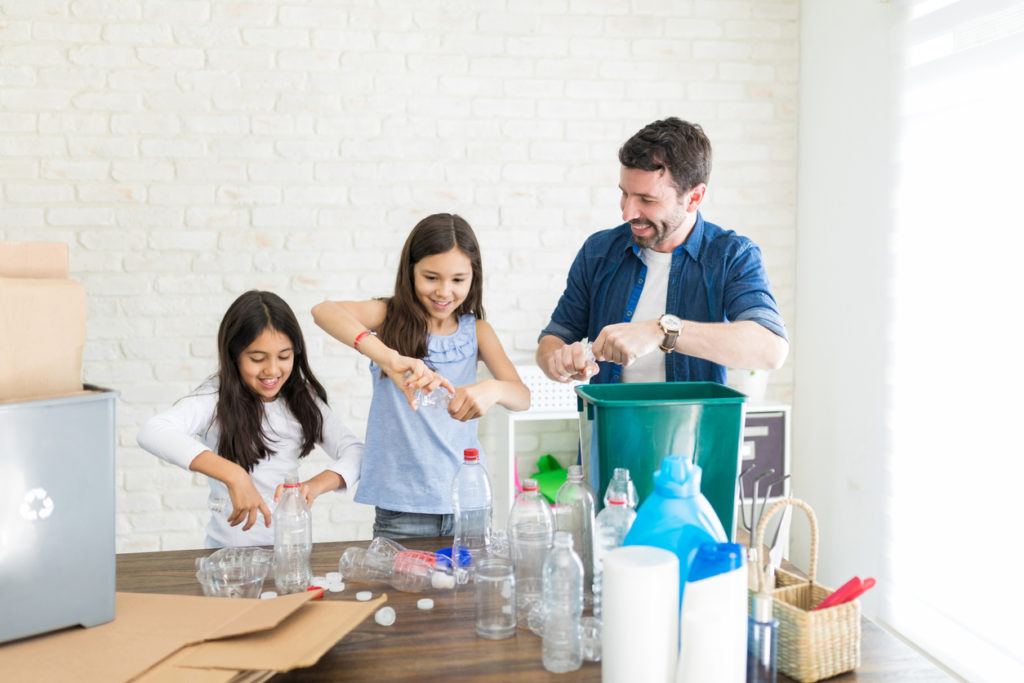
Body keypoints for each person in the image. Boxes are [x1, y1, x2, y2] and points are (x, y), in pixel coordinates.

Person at [312, 213, 530, 539]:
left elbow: (522, 398)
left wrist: (494, 389)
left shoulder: (478, 332)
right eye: (431, 277)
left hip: (468, 504)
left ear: (474, 278)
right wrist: (387, 357)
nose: (444, 291)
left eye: (458, 280)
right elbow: (323, 311)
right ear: (410, 271)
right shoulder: (387, 316)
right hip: (402, 507)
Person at [537, 117, 788, 385]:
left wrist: (662, 331)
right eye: (625, 194)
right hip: (610, 425)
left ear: (694, 197)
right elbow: (553, 338)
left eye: (647, 200)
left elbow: (771, 350)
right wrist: (558, 360)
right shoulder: (598, 252)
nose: (627, 213)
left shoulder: (732, 256)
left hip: (696, 426)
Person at [137, 290, 364, 548]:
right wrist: (234, 475)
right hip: (229, 555)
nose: (272, 370)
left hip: (290, 552)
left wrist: (313, 486)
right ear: (234, 355)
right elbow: (153, 431)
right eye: (257, 359)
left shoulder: (303, 399)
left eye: (284, 356)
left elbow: (355, 451)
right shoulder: (214, 398)